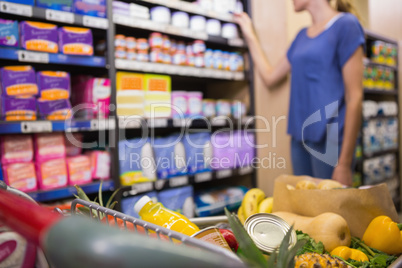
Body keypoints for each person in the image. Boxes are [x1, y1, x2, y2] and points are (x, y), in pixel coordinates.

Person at [235, 0, 365, 186]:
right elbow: (270, 77)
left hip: (330, 139)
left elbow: (355, 97)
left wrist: (344, 163)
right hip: (299, 137)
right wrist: (249, 34)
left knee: (330, 210)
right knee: (305, 206)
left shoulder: (346, 25)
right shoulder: (301, 37)